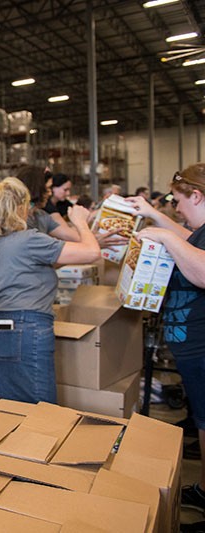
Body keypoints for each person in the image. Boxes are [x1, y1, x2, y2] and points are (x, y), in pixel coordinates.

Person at [0, 178, 99, 403]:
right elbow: (91, 254)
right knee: (40, 411)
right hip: (28, 329)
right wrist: (80, 222)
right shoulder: (28, 240)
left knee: (3, 406)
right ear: (20, 208)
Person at [126, 164, 205, 513]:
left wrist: (165, 237)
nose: (177, 209)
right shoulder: (199, 231)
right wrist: (152, 214)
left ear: (197, 195)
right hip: (191, 347)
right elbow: (191, 241)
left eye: (179, 201)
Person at [15, 166, 80, 242]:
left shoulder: (41, 215)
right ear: (36, 189)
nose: (50, 193)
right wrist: (81, 223)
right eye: (48, 188)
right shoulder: (18, 221)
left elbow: (68, 235)